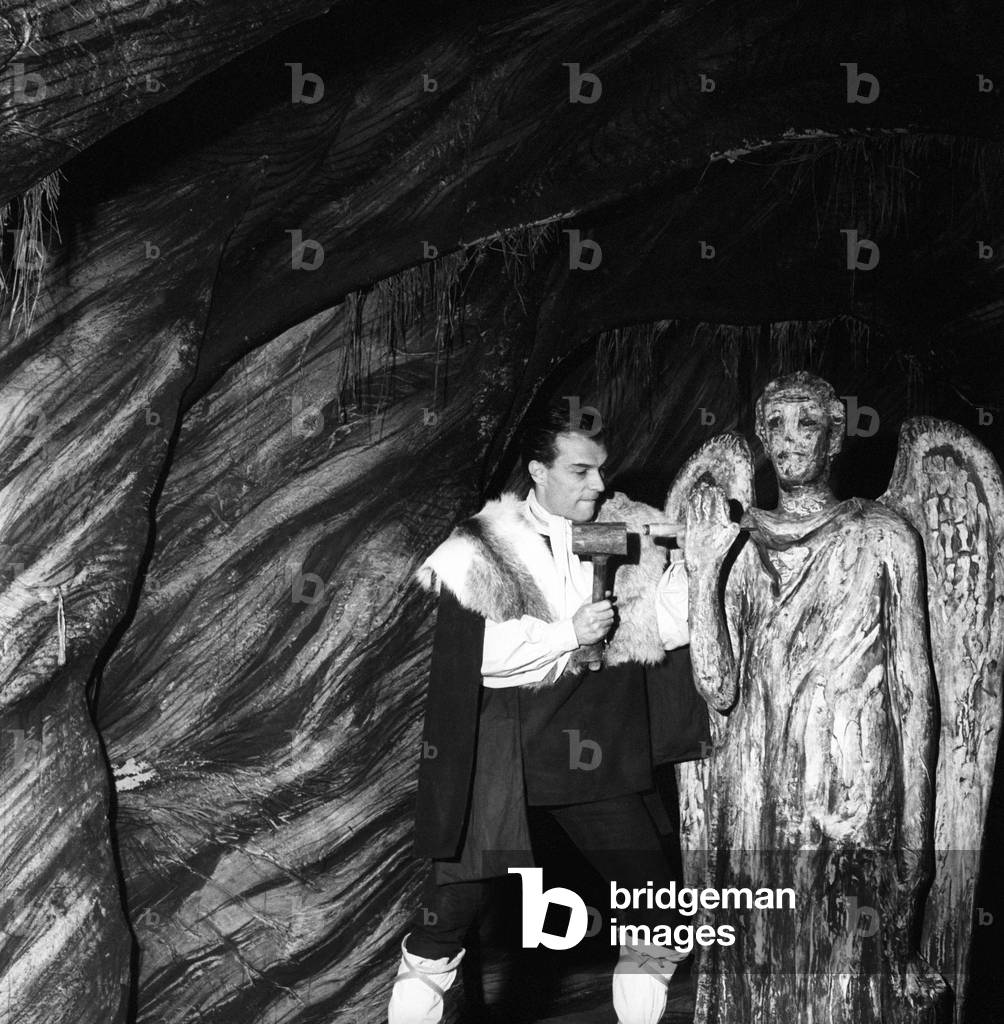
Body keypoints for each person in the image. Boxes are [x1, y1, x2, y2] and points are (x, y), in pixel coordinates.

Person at [387, 407, 697, 1024]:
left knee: (655, 909)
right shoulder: (482, 543)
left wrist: (694, 565)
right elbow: (480, 658)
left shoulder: (629, 527)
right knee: (446, 920)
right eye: (580, 472)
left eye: (601, 470)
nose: (598, 485)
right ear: (537, 470)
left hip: (591, 746)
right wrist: (568, 634)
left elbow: (662, 627)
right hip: (503, 748)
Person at [681, 372, 939, 1022]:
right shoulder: (738, 542)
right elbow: (717, 687)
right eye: (776, 425)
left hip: (854, 789)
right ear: (762, 437)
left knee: (848, 977)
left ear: (835, 437)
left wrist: (916, 830)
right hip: (761, 788)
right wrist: (703, 572)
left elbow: (914, 690)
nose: (791, 439)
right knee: (765, 971)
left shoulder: (884, 535)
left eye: (808, 423)